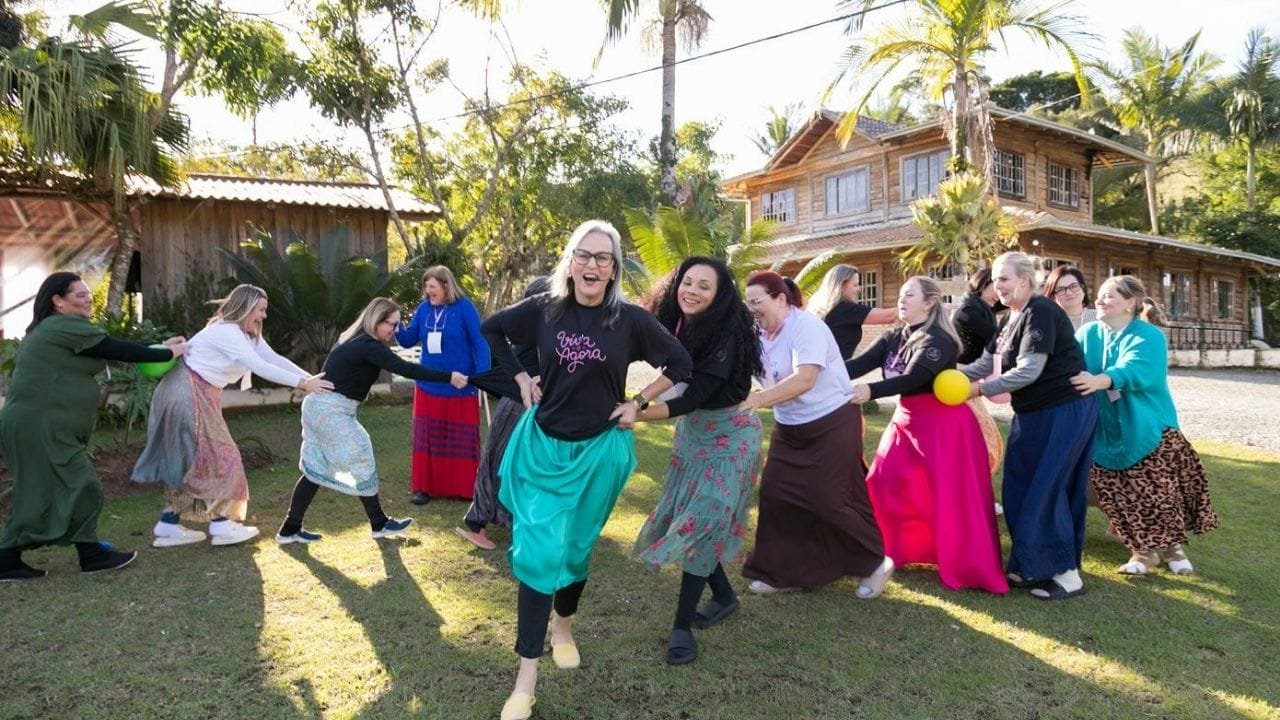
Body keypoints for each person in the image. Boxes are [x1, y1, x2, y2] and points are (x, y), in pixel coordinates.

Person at [480, 220, 691, 720]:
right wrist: (520, 375)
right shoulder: (545, 309)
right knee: (537, 553)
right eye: (584, 255)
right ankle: (526, 676)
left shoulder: (629, 320)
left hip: (599, 454)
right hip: (543, 450)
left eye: (603, 258)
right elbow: (491, 330)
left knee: (574, 550)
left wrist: (637, 402)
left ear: (614, 268)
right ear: (570, 261)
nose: (592, 265)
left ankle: (564, 627)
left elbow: (681, 362)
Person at [0, 273, 184, 581]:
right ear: (57, 301)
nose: (88, 298)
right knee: (82, 483)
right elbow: (118, 350)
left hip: (38, 425)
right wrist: (166, 353)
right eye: (80, 294)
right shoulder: (63, 326)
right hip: (40, 426)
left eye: (88, 293)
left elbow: (110, 347)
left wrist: (157, 347)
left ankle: (14, 558)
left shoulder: (59, 329)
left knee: (38, 489)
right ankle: (90, 554)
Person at [631, 257, 765, 665]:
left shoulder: (725, 335)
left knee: (703, 519)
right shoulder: (672, 323)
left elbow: (692, 397)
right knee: (692, 518)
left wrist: (635, 411)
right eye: (686, 282)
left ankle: (680, 627)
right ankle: (723, 596)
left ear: (719, 295)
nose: (691, 291)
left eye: (703, 286)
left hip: (731, 437)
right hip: (693, 436)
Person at [132, 284, 332, 548]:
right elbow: (259, 366)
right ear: (245, 307)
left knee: (192, 459)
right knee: (222, 455)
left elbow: (272, 358)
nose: (264, 316)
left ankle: (168, 526)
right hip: (187, 393)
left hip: (194, 392)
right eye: (260, 309)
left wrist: (308, 379)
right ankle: (223, 526)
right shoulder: (226, 331)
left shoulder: (246, 334)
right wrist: (304, 384)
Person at [846, 277, 1007, 594]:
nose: (901, 299)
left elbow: (913, 378)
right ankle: (889, 551)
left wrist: (868, 391)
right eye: (901, 293)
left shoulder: (938, 340)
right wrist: (817, 369)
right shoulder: (896, 335)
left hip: (943, 427)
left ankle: (965, 563)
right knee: (882, 482)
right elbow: (860, 364)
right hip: (905, 421)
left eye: (909, 295)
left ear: (929, 302)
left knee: (948, 496)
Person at [739, 271, 891, 599]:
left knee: (829, 499)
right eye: (748, 304)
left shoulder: (805, 326)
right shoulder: (757, 333)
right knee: (777, 495)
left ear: (780, 299)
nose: (752, 309)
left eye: (757, 302)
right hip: (790, 428)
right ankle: (783, 572)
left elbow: (804, 378)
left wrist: (759, 399)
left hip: (832, 422)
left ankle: (875, 563)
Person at [277, 298, 471, 545]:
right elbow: (407, 369)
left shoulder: (356, 339)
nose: (394, 330)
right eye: (390, 324)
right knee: (360, 451)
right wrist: (450, 377)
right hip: (330, 409)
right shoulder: (369, 345)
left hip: (321, 406)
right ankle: (379, 523)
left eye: (397, 325)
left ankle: (290, 529)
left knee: (317, 467)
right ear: (376, 320)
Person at [961, 252, 1098, 600]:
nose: (997, 286)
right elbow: (982, 363)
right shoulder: (1009, 318)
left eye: (1004, 279)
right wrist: (942, 376)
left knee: (1047, 489)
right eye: (994, 280)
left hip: (1063, 412)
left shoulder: (1041, 312)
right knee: (1019, 487)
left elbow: (1028, 370)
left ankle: (1067, 575)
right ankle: (1032, 565)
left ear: (1024, 279)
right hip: (1032, 415)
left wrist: (976, 390)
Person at [1072, 276, 1219, 575]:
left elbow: (1136, 369)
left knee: (1158, 492)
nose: (1100, 300)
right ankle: (1142, 552)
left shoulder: (1149, 336)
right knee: (1117, 491)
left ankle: (1170, 548)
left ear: (1130, 303)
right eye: (1098, 295)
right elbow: (1067, 362)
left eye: (1109, 295)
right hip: (1104, 432)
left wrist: (1099, 380)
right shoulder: (1088, 333)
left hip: (1148, 429)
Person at [455, 276, 551, 551]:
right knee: (505, 463)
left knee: (507, 462)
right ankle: (482, 524)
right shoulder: (537, 335)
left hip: (521, 406)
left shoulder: (530, 333)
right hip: (518, 406)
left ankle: (489, 522)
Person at [395, 265, 490, 505]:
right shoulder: (424, 309)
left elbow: (480, 343)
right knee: (427, 438)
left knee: (461, 438)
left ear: (446, 286)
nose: (428, 292)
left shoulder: (464, 308)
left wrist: (481, 378)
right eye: (426, 287)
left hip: (461, 385)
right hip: (428, 386)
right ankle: (422, 488)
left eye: (432, 287)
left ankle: (464, 488)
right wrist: (396, 324)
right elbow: (407, 341)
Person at [952, 266, 1006, 478]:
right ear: (982, 284)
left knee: (983, 436)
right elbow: (997, 339)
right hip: (960, 377)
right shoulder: (969, 311)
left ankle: (975, 486)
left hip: (971, 376)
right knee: (981, 436)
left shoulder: (985, 308)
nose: (1000, 290)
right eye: (996, 284)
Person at [807, 264, 898, 360]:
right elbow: (889, 316)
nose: (858, 289)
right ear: (841, 286)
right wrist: (912, 303)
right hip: (833, 370)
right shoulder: (843, 309)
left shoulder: (824, 309)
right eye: (855, 285)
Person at [953, 267, 999, 364]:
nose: (999, 295)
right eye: (996, 289)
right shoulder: (967, 312)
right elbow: (996, 336)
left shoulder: (984, 307)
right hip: (965, 370)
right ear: (982, 285)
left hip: (978, 367)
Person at [1043, 265, 1096, 331]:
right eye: (1061, 289)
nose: (1069, 293)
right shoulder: (1048, 323)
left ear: (1083, 289)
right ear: (1053, 296)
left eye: (1073, 286)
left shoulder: (1100, 318)